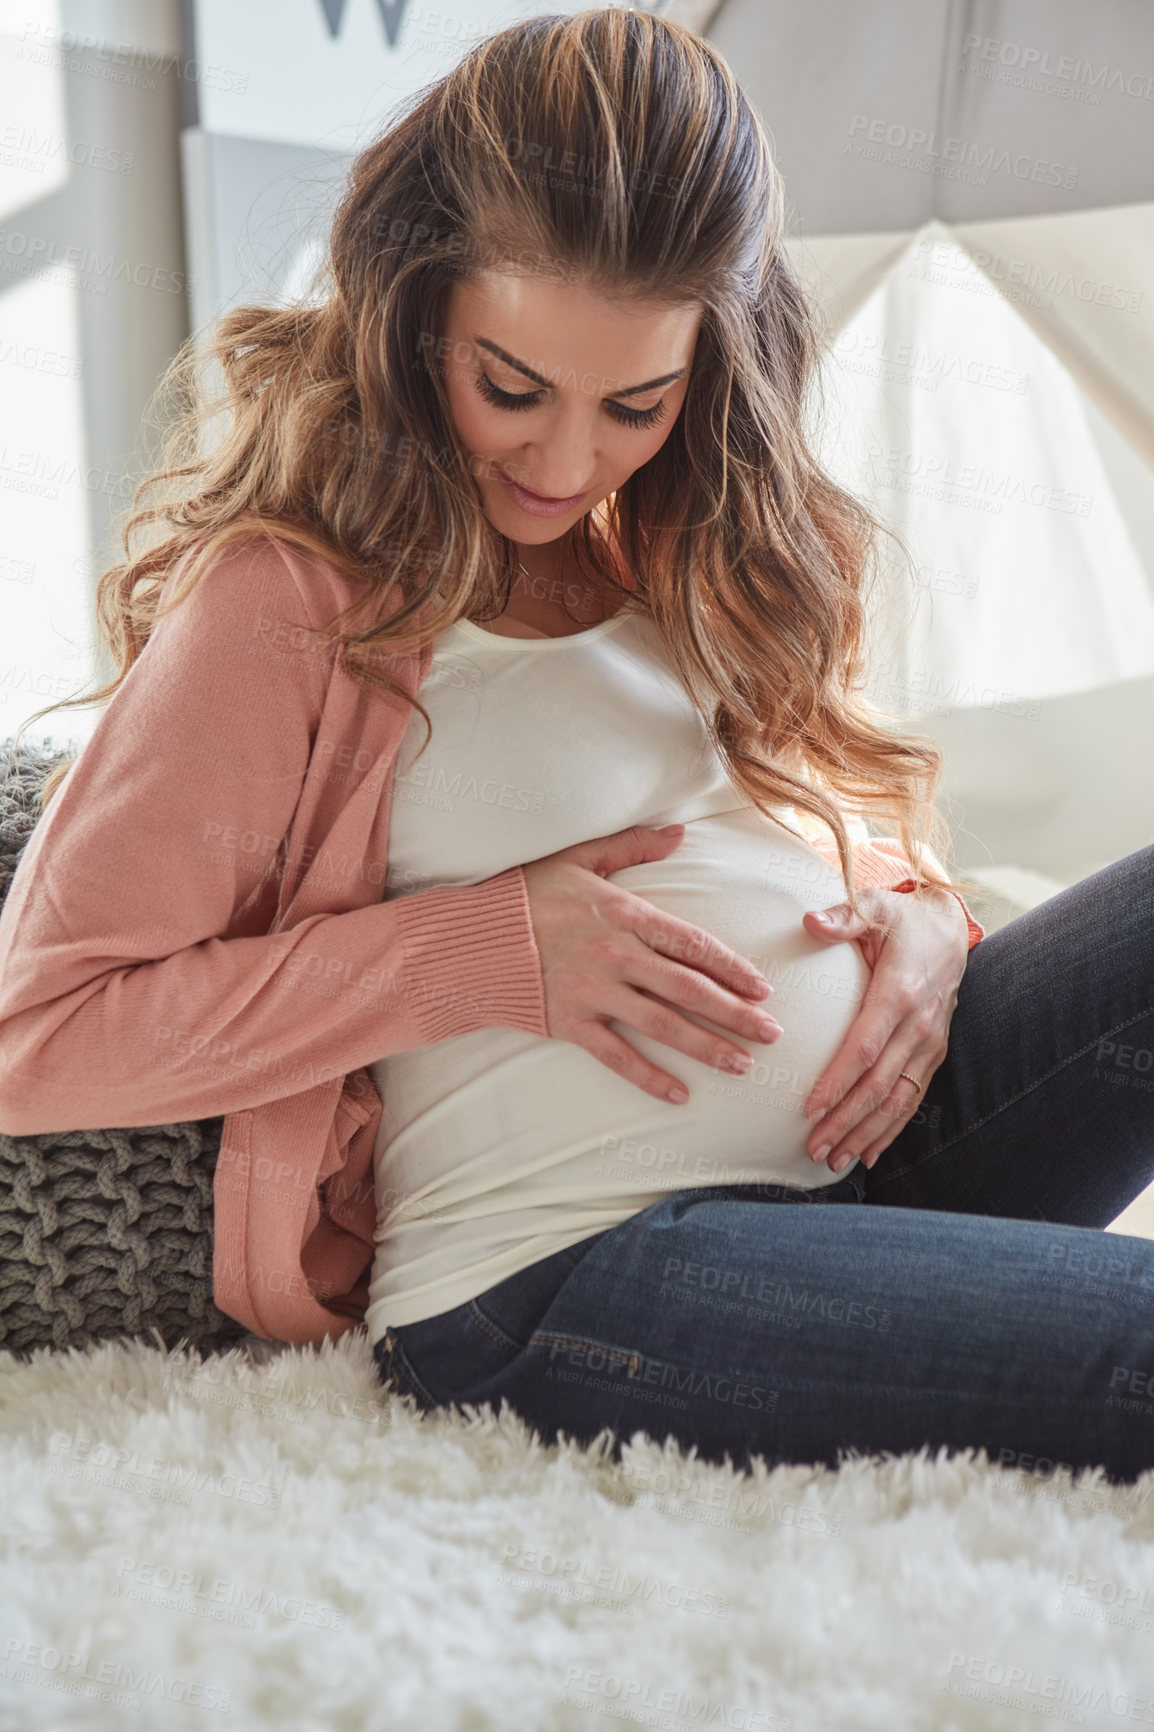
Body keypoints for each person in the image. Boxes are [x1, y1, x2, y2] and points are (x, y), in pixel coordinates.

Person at [2, 9, 1152, 1487]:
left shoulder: (677, 546)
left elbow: (801, 827)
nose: (562, 463)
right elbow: (42, 1043)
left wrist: (928, 928)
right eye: (511, 387)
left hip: (878, 1162)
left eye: (634, 404)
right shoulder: (288, 600)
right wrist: (479, 950)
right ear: (418, 313)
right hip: (565, 1270)